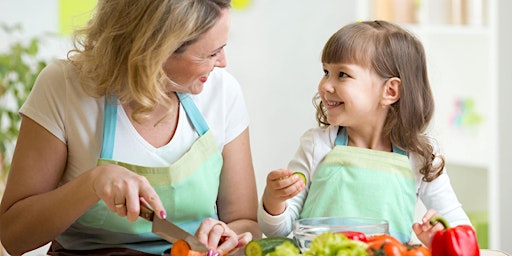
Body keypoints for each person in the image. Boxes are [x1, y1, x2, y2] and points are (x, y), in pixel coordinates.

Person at [0, 0, 261, 255]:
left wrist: (225, 236)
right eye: (210, 54)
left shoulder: (222, 92)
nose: (222, 62)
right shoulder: (65, 87)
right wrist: (92, 184)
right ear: (155, 50)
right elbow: (13, 237)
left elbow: (245, 223)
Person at [258, 20, 472, 248]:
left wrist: (437, 236)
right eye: (326, 72)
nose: (325, 86)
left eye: (342, 75)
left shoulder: (421, 156)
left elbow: (459, 228)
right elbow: (278, 230)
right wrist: (274, 199)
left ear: (390, 91)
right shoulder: (317, 144)